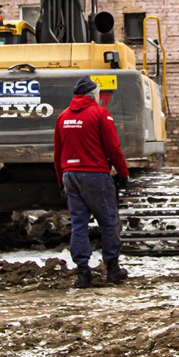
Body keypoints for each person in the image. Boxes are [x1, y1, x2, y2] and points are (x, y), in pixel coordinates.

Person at [54, 75, 131, 288]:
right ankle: (113, 269)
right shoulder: (100, 114)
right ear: (92, 95)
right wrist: (123, 173)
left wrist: (61, 179)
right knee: (108, 222)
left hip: (70, 176)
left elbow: (58, 152)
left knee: (79, 224)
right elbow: (113, 147)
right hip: (95, 175)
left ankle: (83, 273)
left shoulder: (63, 117)